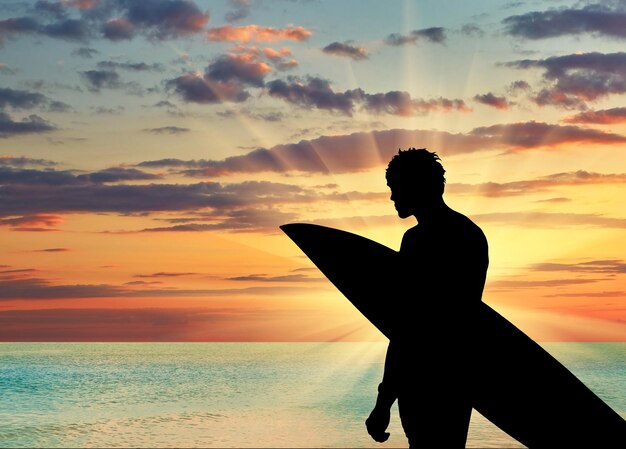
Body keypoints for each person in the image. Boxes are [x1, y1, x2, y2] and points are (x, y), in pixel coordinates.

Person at [365, 148, 489, 448]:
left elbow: (408, 326)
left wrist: (383, 403)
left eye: (396, 188)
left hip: (434, 381)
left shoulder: (425, 241)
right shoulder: (469, 234)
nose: (392, 197)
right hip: (454, 379)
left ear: (420, 186)